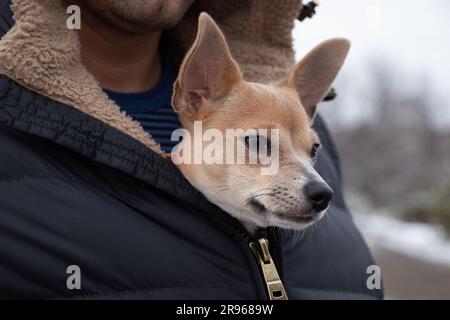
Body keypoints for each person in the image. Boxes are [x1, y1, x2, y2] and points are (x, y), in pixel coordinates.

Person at [0, 0, 383, 299]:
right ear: (193, 93)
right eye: (257, 144)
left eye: (310, 151)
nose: (317, 186)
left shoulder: (288, 111)